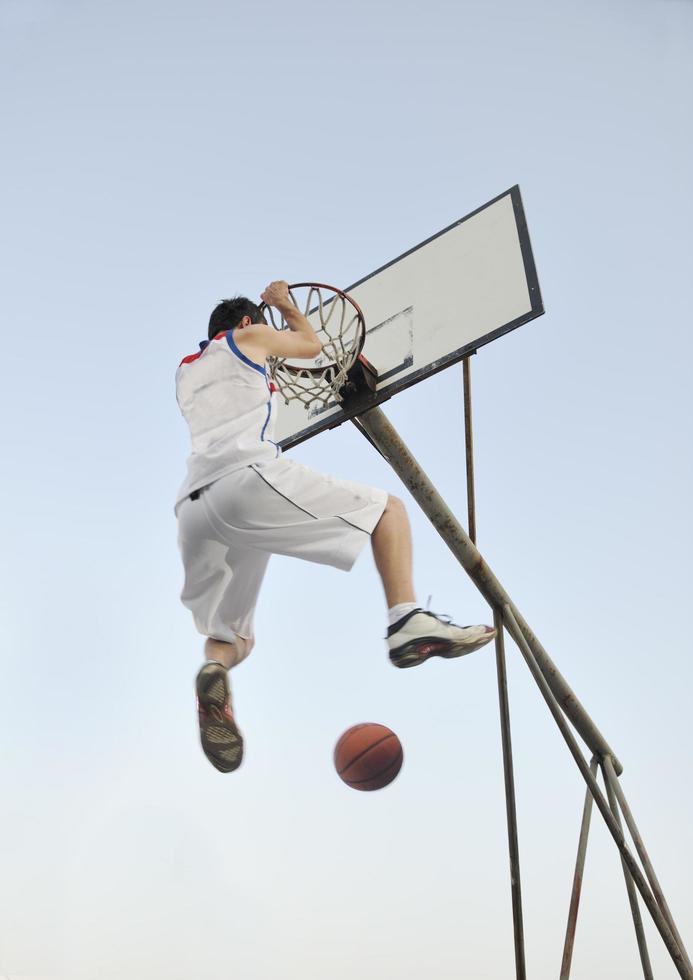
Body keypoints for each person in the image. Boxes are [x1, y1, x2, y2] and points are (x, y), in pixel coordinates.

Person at [175, 281, 496, 772]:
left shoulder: (185, 371)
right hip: (246, 482)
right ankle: (406, 619)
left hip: (194, 511)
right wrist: (284, 306)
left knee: (233, 638)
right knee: (388, 511)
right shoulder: (248, 339)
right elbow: (312, 345)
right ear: (245, 323)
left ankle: (213, 673)